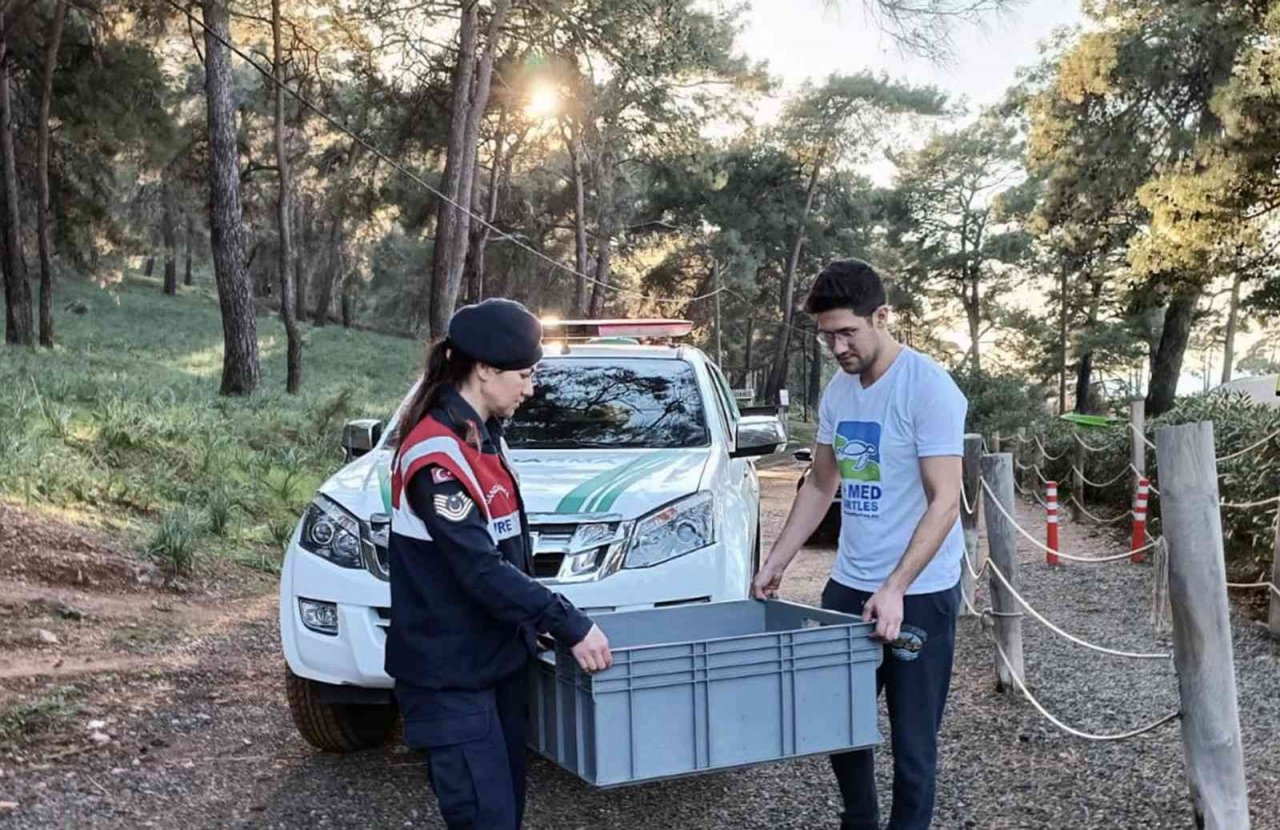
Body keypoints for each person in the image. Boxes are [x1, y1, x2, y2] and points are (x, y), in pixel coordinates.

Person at [752, 259, 967, 830]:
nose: (838, 346)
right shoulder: (840, 392)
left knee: (912, 746)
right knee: (840, 724)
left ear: (882, 316)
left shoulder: (929, 388)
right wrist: (776, 561)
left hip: (919, 593)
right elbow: (823, 482)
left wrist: (896, 587)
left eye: (848, 332)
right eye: (828, 336)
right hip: (848, 584)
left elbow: (946, 500)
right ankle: (860, 822)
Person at [385, 298, 612, 830]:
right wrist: (568, 622)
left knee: (504, 814)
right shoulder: (436, 457)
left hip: (494, 667)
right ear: (484, 369)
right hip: (452, 678)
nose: (530, 388)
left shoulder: (485, 437)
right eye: (525, 375)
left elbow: (511, 556)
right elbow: (480, 569)